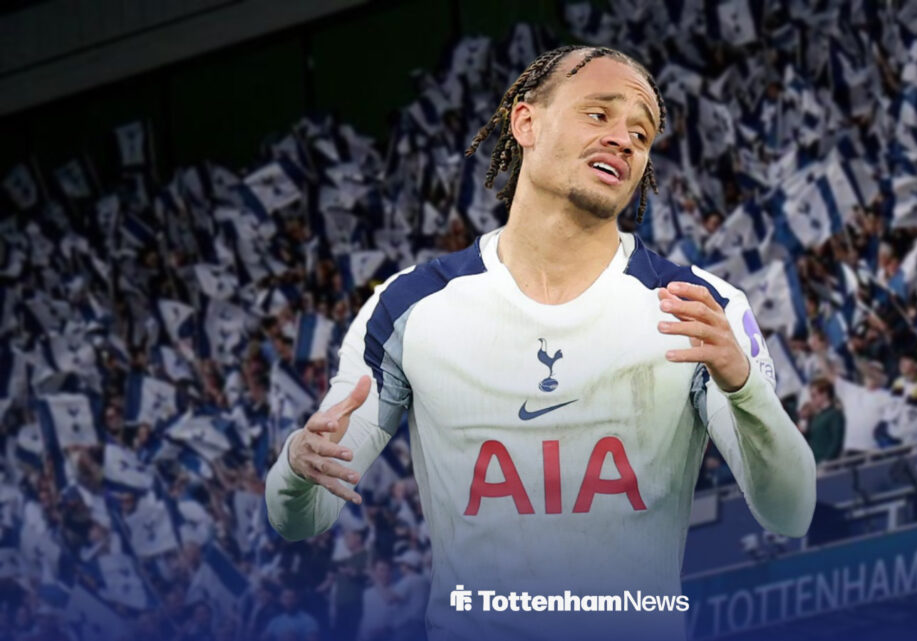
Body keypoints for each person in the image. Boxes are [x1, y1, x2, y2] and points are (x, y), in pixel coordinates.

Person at [264, 45, 816, 641]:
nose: (625, 139)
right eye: (599, 114)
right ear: (526, 122)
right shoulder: (410, 307)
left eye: (642, 131)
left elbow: (790, 512)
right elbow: (301, 517)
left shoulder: (699, 307)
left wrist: (744, 387)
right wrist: (297, 465)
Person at [797, 378, 845, 463]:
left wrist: (827, 461)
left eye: (814, 396)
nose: (812, 399)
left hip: (826, 465)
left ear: (825, 394)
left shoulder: (835, 415)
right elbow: (813, 438)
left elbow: (836, 442)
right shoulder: (816, 416)